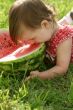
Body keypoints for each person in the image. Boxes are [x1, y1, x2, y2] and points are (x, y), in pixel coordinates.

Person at [8, 0, 73, 80]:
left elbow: (61, 68)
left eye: (32, 38)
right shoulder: (47, 32)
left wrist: (41, 75)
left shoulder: (64, 41)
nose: (30, 43)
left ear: (45, 24)